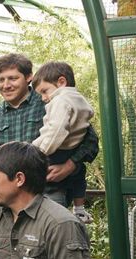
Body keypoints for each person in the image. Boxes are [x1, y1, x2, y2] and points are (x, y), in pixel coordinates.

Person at [0, 53, 99, 209]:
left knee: (51, 225)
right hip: (9, 194)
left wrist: (70, 165)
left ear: (29, 77)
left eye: (13, 78)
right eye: (1, 79)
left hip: (49, 190)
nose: (6, 85)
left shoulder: (52, 100)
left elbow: (90, 141)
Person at [31, 61, 95, 224]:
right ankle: (79, 210)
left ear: (61, 82)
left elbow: (55, 130)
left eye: (44, 91)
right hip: (71, 149)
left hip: (57, 150)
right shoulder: (79, 99)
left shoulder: (61, 101)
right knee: (79, 175)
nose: (44, 98)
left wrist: (39, 151)